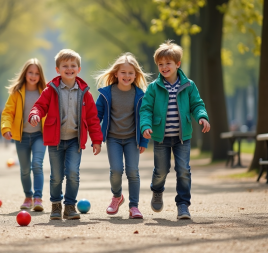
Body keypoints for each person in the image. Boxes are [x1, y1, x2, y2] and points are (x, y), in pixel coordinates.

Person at [140, 40, 210, 219]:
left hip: (182, 137)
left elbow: (197, 104)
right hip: (161, 138)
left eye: (168, 63)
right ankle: (157, 190)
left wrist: (202, 117)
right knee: (161, 170)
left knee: (183, 170)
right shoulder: (154, 88)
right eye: (160, 64)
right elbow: (146, 108)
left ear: (178, 64)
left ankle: (183, 205)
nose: (164, 67)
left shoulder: (188, 85)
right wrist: (146, 126)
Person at [29, 49, 103, 220]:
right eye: (65, 66)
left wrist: (97, 140)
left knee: (72, 173)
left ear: (79, 69)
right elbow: (39, 106)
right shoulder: (51, 90)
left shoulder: (85, 93)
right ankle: (56, 205)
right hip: (55, 141)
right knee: (56, 176)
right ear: (57, 69)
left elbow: (92, 118)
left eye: (73, 66)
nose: (69, 69)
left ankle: (69, 206)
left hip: (74, 141)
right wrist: (35, 114)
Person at [95, 53, 150, 219]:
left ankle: (134, 206)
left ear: (136, 75)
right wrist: (95, 139)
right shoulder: (106, 93)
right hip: (113, 139)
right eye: (123, 72)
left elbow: (145, 117)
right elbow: (97, 116)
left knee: (133, 171)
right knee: (117, 170)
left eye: (130, 73)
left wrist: (144, 141)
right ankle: (117, 197)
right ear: (116, 74)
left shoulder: (140, 95)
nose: (127, 76)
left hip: (132, 140)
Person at [1, 58, 47, 211]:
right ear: (25, 73)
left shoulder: (45, 92)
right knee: (25, 169)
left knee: (37, 165)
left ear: (40, 76)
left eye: (36, 73)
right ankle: (28, 197)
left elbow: (52, 112)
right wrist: (6, 128)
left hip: (39, 135)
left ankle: (38, 198)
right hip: (21, 136)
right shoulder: (17, 92)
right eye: (30, 72)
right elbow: (8, 112)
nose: (33, 76)